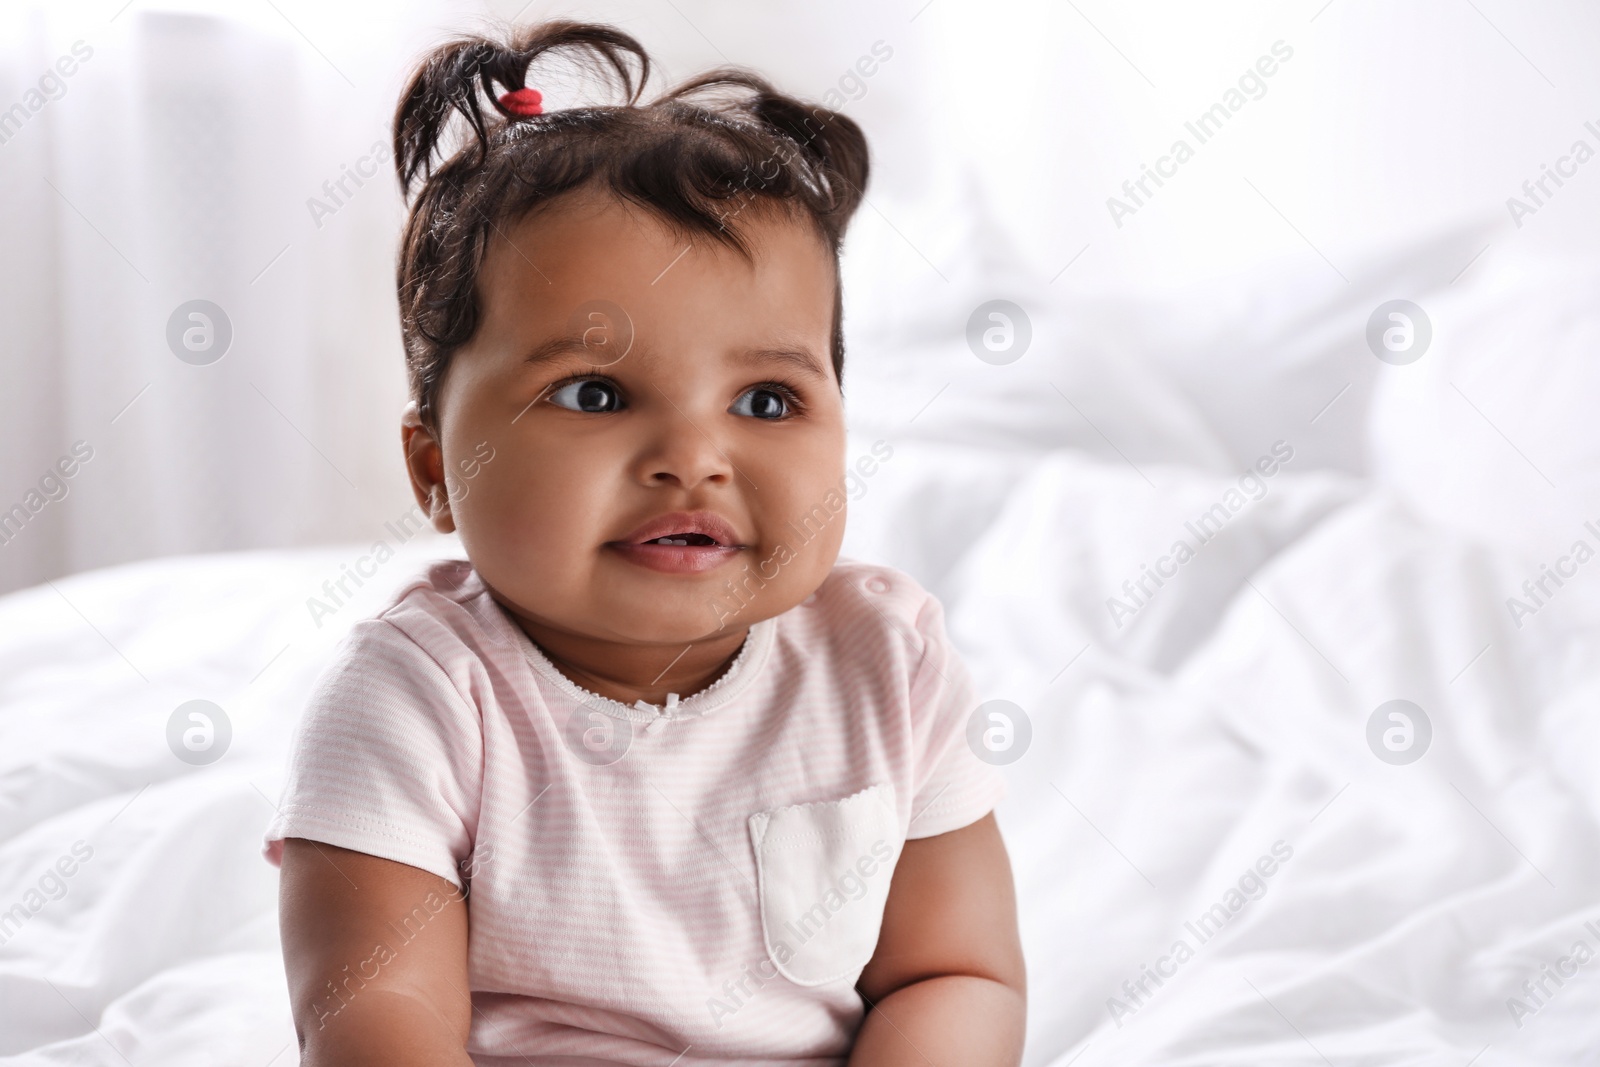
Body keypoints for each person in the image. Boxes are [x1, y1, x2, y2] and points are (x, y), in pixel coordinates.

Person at [262, 19, 1025, 1065]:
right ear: (437, 468)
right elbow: (377, 1018)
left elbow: (955, 972)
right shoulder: (420, 698)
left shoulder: (885, 667)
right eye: (595, 392)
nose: (692, 456)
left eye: (764, 397)